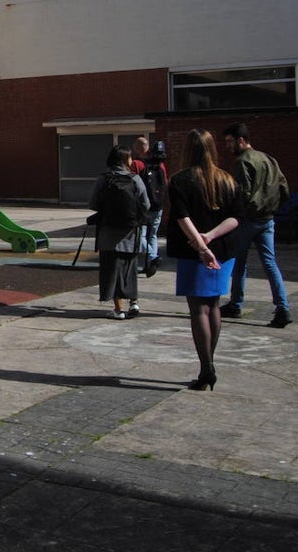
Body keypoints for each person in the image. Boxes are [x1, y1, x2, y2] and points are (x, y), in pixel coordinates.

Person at [168, 129, 240, 390]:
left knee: (198, 309)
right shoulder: (228, 180)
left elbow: (182, 217)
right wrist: (210, 237)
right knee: (214, 305)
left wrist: (200, 246)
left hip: (192, 251)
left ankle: (206, 368)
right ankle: (209, 364)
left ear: (188, 150)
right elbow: (235, 217)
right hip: (223, 249)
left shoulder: (180, 180)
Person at [220, 123, 293, 328]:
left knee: (239, 263)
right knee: (270, 264)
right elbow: (284, 188)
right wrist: (273, 208)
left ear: (241, 140)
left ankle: (235, 304)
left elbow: (241, 194)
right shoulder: (269, 159)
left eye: (229, 142)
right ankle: (282, 307)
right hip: (267, 219)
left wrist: (235, 214)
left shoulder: (243, 162)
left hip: (248, 220)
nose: (227, 146)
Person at [89, 145, 150, 319]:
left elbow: (93, 203)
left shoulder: (103, 179)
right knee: (130, 268)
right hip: (130, 232)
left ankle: (118, 309)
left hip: (108, 233)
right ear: (125, 160)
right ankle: (134, 303)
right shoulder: (135, 179)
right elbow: (146, 204)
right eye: (130, 158)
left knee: (111, 270)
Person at [130, 136, 167, 277]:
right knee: (153, 235)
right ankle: (150, 264)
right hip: (158, 205)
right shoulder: (160, 164)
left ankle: (152, 257)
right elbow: (165, 183)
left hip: (143, 206)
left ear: (138, 148)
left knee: (140, 236)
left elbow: (132, 186)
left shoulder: (136, 164)